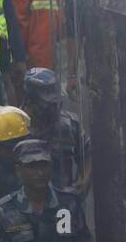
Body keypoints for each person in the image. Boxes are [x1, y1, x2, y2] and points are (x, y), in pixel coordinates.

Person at [0, 138, 94, 242]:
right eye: (32, 166)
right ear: (18, 169)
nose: (40, 172)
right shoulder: (4, 210)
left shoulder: (69, 203)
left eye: (43, 164)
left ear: (51, 166)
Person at [23, 67, 90, 195]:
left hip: (64, 205)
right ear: (30, 99)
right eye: (46, 104)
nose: (52, 109)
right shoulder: (15, 126)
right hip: (26, 207)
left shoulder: (68, 125)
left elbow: (88, 151)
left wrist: (85, 179)